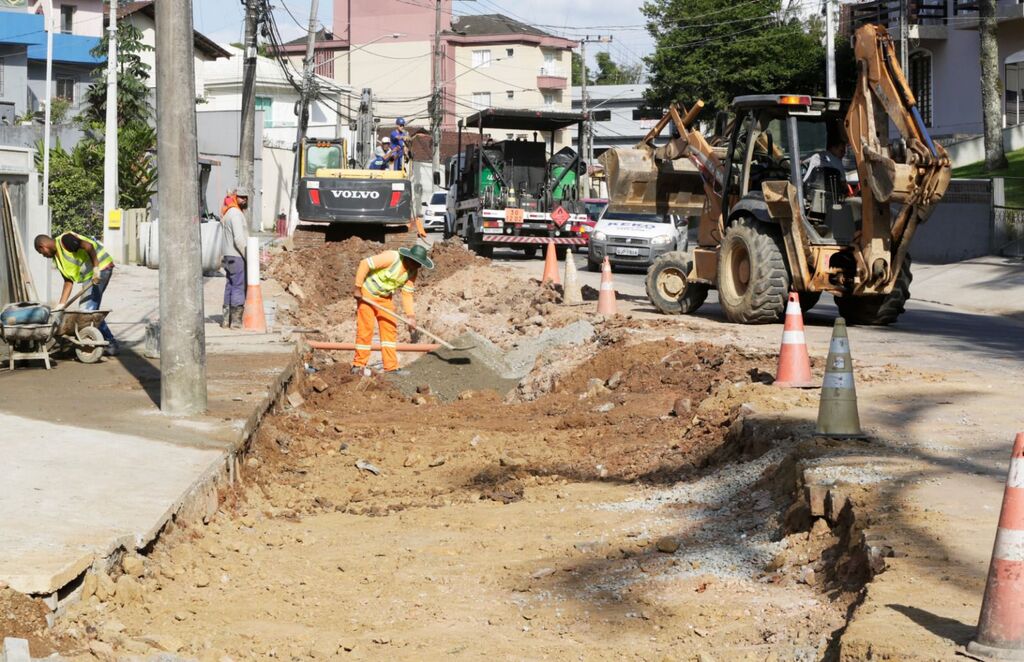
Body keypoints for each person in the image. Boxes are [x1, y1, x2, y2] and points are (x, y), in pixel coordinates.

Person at [351, 244, 434, 375]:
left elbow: (407, 293)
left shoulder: (412, 272)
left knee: (389, 329)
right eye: (417, 263)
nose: (418, 267)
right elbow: (365, 263)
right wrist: (357, 287)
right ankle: (358, 365)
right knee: (365, 330)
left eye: (420, 264)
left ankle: (391, 368)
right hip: (367, 294)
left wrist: (411, 316)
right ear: (409, 258)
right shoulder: (391, 257)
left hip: (385, 299)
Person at [33, 231, 119, 355]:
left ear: (43, 246)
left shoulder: (65, 241)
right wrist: (61, 306)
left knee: (86, 311)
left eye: (41, 253)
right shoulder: (58, 259)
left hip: (101, 268)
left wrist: (96, 268)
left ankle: (111, 343)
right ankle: (99, 340)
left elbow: (88, 246)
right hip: (89, 276)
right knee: (88, 311)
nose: (44, 256)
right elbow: (68, 282)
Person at [220, 187, 251, 329]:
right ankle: (236, 322)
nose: (244, 200)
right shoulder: (236, 214)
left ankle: (226, 320)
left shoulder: (227, 213)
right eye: (241, 197)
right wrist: (248, 256)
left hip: (227, 255)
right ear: (235, 197)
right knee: (238, 286)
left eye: (245, 197)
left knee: (229, 286)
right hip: (237, 255)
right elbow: (239, 239)